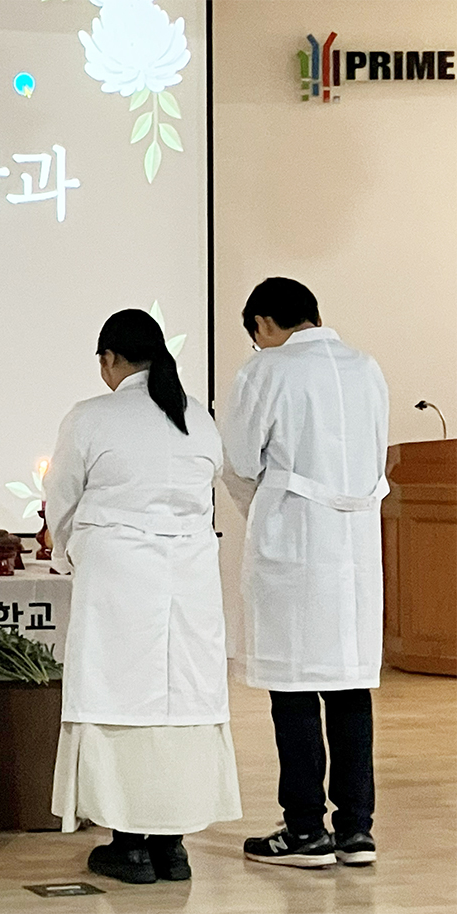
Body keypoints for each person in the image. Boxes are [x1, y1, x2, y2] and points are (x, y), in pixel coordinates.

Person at [45, 309, 242, 885]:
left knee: (120, 703)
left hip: (119, 575)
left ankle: (129, 846)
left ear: (110, 359)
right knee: (180, 705)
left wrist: (68, 552)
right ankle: (172, 848)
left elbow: (61, 499)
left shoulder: (91, 416)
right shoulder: (196, 417)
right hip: (191, 578)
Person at [223, 278, 389, 869]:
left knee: (292, 687)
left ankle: (303, 829)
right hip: (355, 546)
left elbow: (239, 462)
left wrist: (267, 509)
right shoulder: (366, 367)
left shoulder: (266, 371)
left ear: (264, 324)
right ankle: (356, 830)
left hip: (293, 543)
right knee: (349, 686)